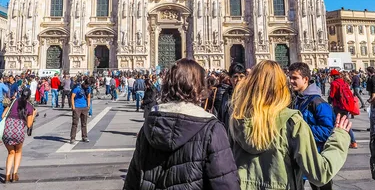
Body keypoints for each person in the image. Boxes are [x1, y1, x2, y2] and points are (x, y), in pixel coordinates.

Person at [230, 60, 351, 190]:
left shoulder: (236, 118)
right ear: (281, 86)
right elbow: (320, 174)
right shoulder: (292, 122)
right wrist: (339, 137)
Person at [124, 59, 239, 190]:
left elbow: (132, 181)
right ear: (199, 88)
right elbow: (224, 182)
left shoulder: (149, 127)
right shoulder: (211, 129)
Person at [289, 62, 335, 190]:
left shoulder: (318, 102)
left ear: (305, 79)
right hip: (299, 157)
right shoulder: (296, 100)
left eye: (295, 78)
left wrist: (301, 131)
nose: (291, 81)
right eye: (290, 78)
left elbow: (328, 130)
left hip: (316, 157)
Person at [2, 87, 35, 183]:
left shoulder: (13, 102)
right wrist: (33, 114)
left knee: (10, 153)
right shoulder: (29, 106)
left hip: (7, 130)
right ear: (29, 96)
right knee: (18, 152)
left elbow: (3, 116)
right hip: (19, 132)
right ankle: (14, 174)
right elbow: (29, 125)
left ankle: (7, 175)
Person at [327, 69, 357, 148]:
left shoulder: (334, 84)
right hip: (346, 105)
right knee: (344, 122)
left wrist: (328, 101)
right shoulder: (344, 82)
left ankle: (353, 141)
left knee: (341, 122)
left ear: (333, 76)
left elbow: (332, 95)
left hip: (338, 106)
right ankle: (349, 141)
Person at [218, 63, 246, 130]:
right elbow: (221, 115)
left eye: (241, 76)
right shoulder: (226, 94)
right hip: (228, 132)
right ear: (230, 78)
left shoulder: (248, 95)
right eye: (235, 77)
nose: (239, 79)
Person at [70, 78, 90, 143]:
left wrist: (88, 105)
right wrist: (73, 106)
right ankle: (72, 138)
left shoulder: (88, 89)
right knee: (75, 123)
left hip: (84, 107)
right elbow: (72, 97)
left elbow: (88, 97)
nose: (87, 86)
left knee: (84, 123)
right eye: (87, 85)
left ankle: (84, 136)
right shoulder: (77, 88)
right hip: (77, 107)